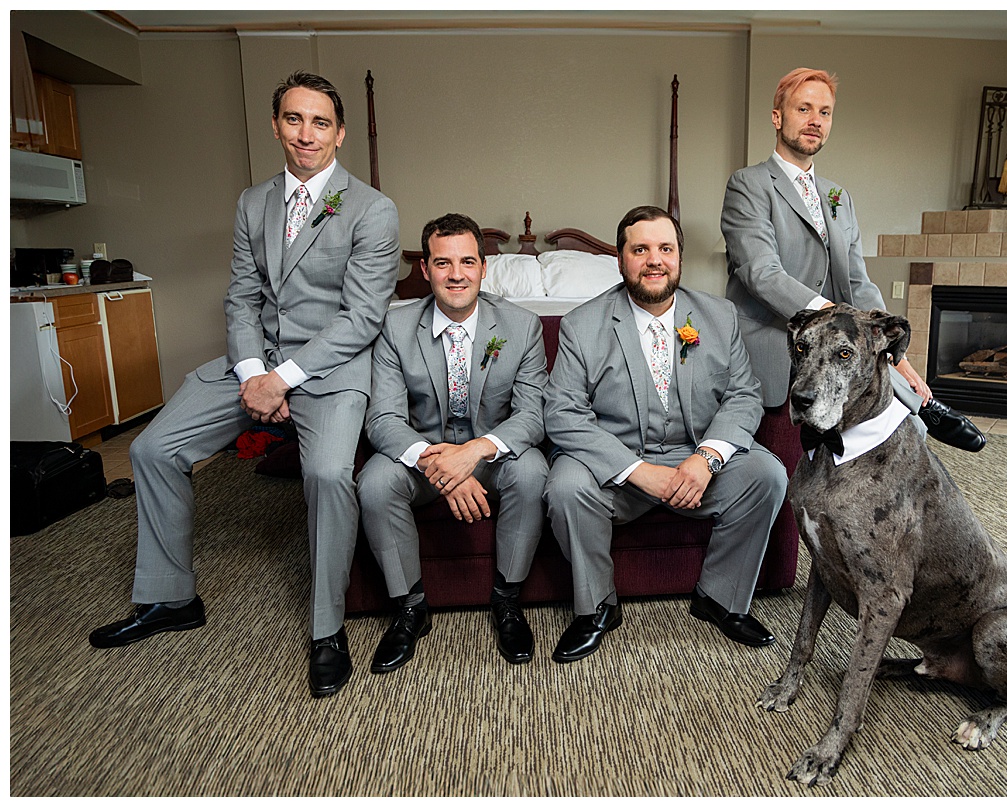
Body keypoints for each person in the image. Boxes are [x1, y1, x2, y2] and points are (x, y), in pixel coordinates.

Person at [88, 71, 400, 700]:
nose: (305, 134)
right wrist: (252, 371)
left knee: (327, 476)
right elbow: (241, 296)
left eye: (319, 122)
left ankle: (326, 628)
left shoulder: (372, 209)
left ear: (340, 134)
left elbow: (362, 319)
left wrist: (281, 379)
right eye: (293, 119)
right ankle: (169, 597)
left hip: (331, 373)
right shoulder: (252, 202)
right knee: (151, 449)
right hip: (253, 365)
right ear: (278, 126)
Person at [543, 205, 788, 664]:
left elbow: (744, 396)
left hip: (696, 462)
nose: (654, 260)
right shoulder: (582, 325)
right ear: (621, 260)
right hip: (619, 466)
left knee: (767, 474)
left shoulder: (719, 316)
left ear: (679, 257)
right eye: (640, 249)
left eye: (665, 248)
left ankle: (720, 598)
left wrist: (706, 459)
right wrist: (637, 471)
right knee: (566, 486)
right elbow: (562, 413)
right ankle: (596, 607)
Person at [721, 66, 986, 452]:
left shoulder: (838, 196)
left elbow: (858, 281)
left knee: (885, 441)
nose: (815, 121)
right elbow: (761, 273)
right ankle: (923, 407)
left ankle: (921, 406)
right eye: (804, 109)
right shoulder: (749, 185)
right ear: (777, 117)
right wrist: (834, 317)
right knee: (791, 473)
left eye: (825, 112)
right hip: (776, 349)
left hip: (838, 351)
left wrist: (895, 353)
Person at [357, 213, 549, 669]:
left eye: (467, 262)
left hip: (490, 453)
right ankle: (410, 608)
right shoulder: (395, 328)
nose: (456, 275)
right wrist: (439, 465)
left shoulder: (522, 326)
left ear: (484, 267)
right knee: (374, 482)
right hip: (422, 455)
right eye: (443, 264)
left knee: (533, 469)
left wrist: (474, 453)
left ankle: (507, 597)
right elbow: (382, 417)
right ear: (425, 270)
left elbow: (532, 414)